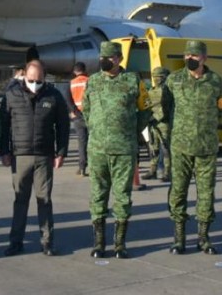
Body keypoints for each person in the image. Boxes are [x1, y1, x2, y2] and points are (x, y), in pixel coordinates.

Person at [83, 41, 148, 259]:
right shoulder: (92, 81)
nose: (104, 61)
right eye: (102, 57)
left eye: (109, 58)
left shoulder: (132, 80)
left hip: (124, 148)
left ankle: (120, 244)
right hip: (98, 149)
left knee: (122, 196)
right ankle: (99, 243)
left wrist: (132, 131)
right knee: (98, 195)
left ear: (119, 59)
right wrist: (96, 130)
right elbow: (87, 110)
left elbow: (144, 110)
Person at [0, 60, 70, 256]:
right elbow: (3, 125)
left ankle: (47, 242)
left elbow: (63, 126)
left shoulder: (54, 96)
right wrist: (3, 151)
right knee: (20, 199)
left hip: (44, 156)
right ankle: (16, 242)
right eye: (31, 80)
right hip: (20, 156)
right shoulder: (12, 95)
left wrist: (61, 152)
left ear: (44, 78)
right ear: (24, 75)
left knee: (44, 200)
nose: (35, 84)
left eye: (39, 80)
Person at [166, 40, 222, 256]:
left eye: (194, 56)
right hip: (180, 146)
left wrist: (208, 124)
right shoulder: (173, 80)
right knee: (178, 191)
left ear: (204, 58)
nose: (189, 59)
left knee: (206, 193)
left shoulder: (216, 81)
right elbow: (165, 108)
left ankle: (203, 238)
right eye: (186, 55)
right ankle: (179, 238)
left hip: (206, 146)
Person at [143, 66, 172, 182]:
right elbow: (147, 105)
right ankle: (153, 170)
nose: (156, 79)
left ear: (164, 78)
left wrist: (156, 117)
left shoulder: (168, 92)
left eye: (158, 77)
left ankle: (167, 172)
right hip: (152, 123)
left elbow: (167, 108)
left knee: (165, 148)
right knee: (153, 147)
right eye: (154, 77)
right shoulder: (151, 90)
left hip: (164, 123)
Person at [68, 62, 89, 177]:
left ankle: (82, 167)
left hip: (77, 116)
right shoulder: (90, 81)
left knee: (82, 142)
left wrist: (74, 111)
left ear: (74, 72)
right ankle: (95, 165)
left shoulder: (71, 83)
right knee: (93, 142)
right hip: (90, 115)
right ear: (84, 70)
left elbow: (68, 99)